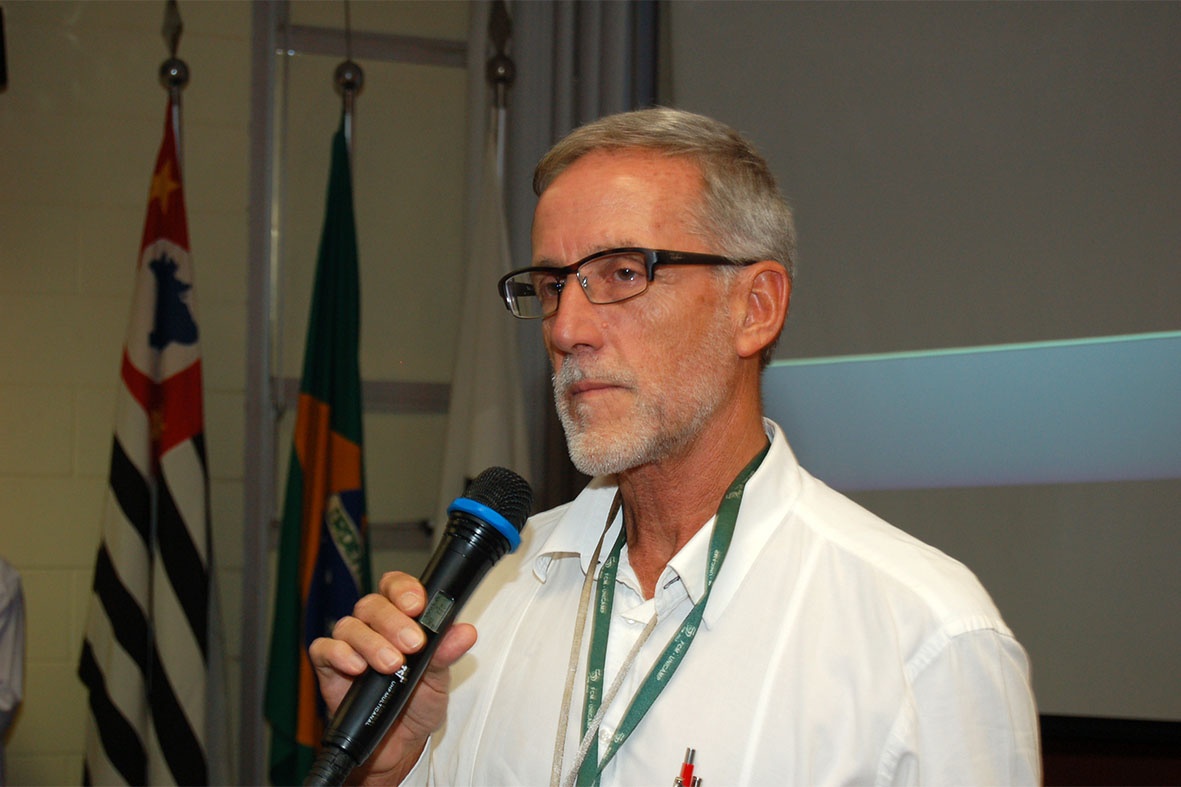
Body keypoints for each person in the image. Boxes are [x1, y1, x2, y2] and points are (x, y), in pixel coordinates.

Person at [311, 107, 1041, 785]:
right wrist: (384, 772)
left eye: (622, 273)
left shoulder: (924, 636)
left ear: (753, 309)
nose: (566, 328)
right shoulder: (487, 595)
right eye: (550, 284)